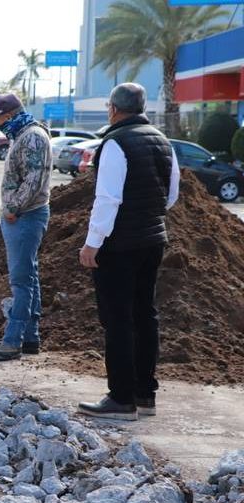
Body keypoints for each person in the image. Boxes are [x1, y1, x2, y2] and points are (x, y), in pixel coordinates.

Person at [78, 83, 180, 421]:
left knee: (118, 319)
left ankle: (121, 398)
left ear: (112, 109)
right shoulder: (162, 140)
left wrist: (93, 242)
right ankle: (144, 393)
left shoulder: (115, 142)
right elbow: (171, 194)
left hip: (119, 246)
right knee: (144, 315)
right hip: (153, 239)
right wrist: (148, 215)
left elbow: (108, 199)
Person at [0, 93, 52, 362]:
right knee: (29, 275)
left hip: (26, 216)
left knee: (20, 281)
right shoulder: (22, 135)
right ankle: (31, 337)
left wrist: (13, 208)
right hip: (23, 215)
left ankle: (12, 341)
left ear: (9, 114)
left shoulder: (32, 136)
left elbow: (34, 179)